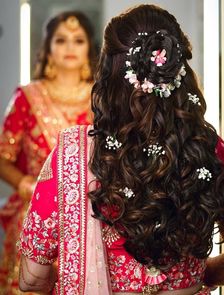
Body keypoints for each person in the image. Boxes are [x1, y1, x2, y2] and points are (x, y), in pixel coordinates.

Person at [17, 4, 224, 295]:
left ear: (108, 72)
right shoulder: (209, 150)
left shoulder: (74, 156)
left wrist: (80, 275)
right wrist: (199, 275)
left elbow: (31, 278)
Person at [0, 10, 97, 294]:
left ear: (89, 47)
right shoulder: (27, 97)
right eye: (61, 40)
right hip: (35, 205)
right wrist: (24, 184)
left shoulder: (101, 98)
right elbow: (3, 157)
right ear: (48, 49)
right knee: (29, 232)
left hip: (93, 206)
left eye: (78, 40)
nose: (69, 47)